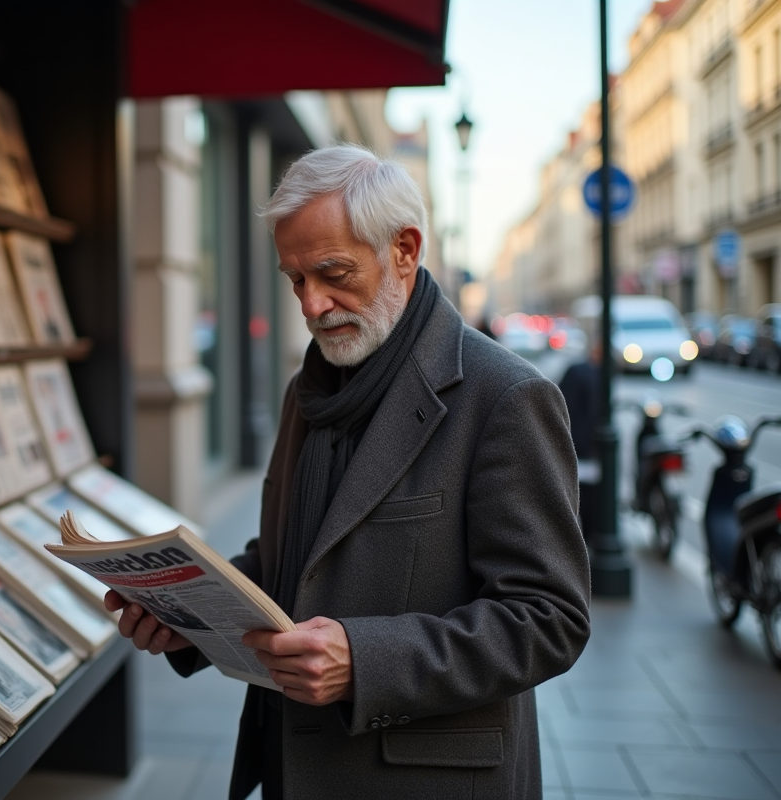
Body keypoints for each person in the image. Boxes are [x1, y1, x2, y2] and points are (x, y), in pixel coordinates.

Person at [110, 145, 590, 800]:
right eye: (296, 279)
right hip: (293, 768)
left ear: (404, 250)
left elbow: (549, 616)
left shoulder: (504, 397)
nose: (312, 305)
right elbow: (294, 564)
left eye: (333, 272)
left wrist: (366, 662)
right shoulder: (308, 390)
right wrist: (185, 615)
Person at [558, 343, 602, 539]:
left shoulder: (578, 372)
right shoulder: (589, 373)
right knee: (588, 499)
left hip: (577, 444)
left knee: (577, 499)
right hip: (588, 446)